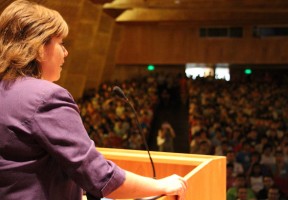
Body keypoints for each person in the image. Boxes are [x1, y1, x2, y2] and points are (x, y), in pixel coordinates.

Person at [0, 1, 187, 200]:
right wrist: (162, 185)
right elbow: (102, 178)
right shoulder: (46, 97)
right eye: (61, 43)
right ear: (39, 48)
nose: (65, 52)